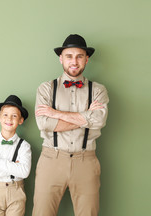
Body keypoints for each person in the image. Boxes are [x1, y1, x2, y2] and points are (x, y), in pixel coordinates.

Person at [32, 34, 109, 216]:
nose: (74, 61)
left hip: (86, 161)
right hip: (51, 159)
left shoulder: (98, 90)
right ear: (61, 58)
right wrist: (85, 118)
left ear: (86, 59)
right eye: (69, 56)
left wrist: (56, 114)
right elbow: (44, 123)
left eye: (79, 56)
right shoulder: (46, 89)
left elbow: (99, 120)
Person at [0, 95, 32, 216]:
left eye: (14, 116)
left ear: (20, 120)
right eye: (5, 115)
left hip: (16, 192)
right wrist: (14, 167)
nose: (9, 119)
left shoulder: (24, 146)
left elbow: (24, 172)